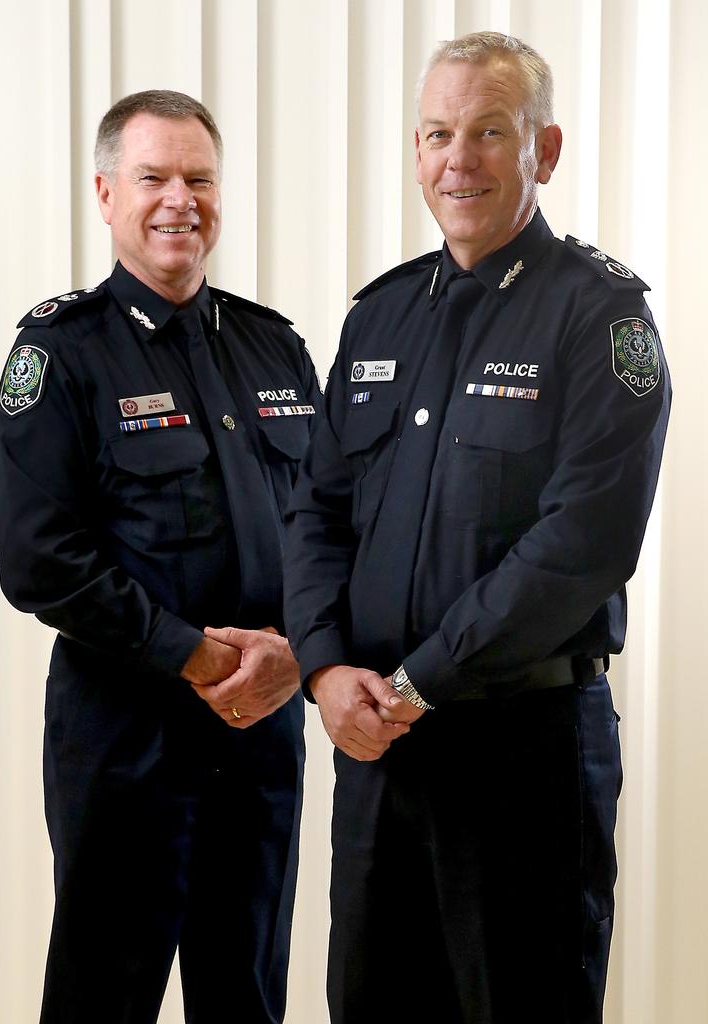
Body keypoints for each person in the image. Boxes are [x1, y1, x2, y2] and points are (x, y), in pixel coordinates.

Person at [284, 31, 670, 1024]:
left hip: (523, 758)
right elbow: (317, 513)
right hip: (376, 753)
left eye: (489, 133)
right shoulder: (378, 318)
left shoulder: (600, 318)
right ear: (417, 153)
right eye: (438, 134)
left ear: (543, 150)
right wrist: (327, 671)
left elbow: (581, 544)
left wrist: (420, 682)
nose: (459, 160)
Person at [0, 90, 321, 1024]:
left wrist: (295, 650)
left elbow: (335, 527)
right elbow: (38, 557)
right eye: (153, 177)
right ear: (105, 193)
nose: (180, 199)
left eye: (200, 178)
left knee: (247, 995)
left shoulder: (275, 348)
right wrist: (196, 653)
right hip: (124, 742)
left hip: (260, 738)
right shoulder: (60, 354)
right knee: (106, 992)